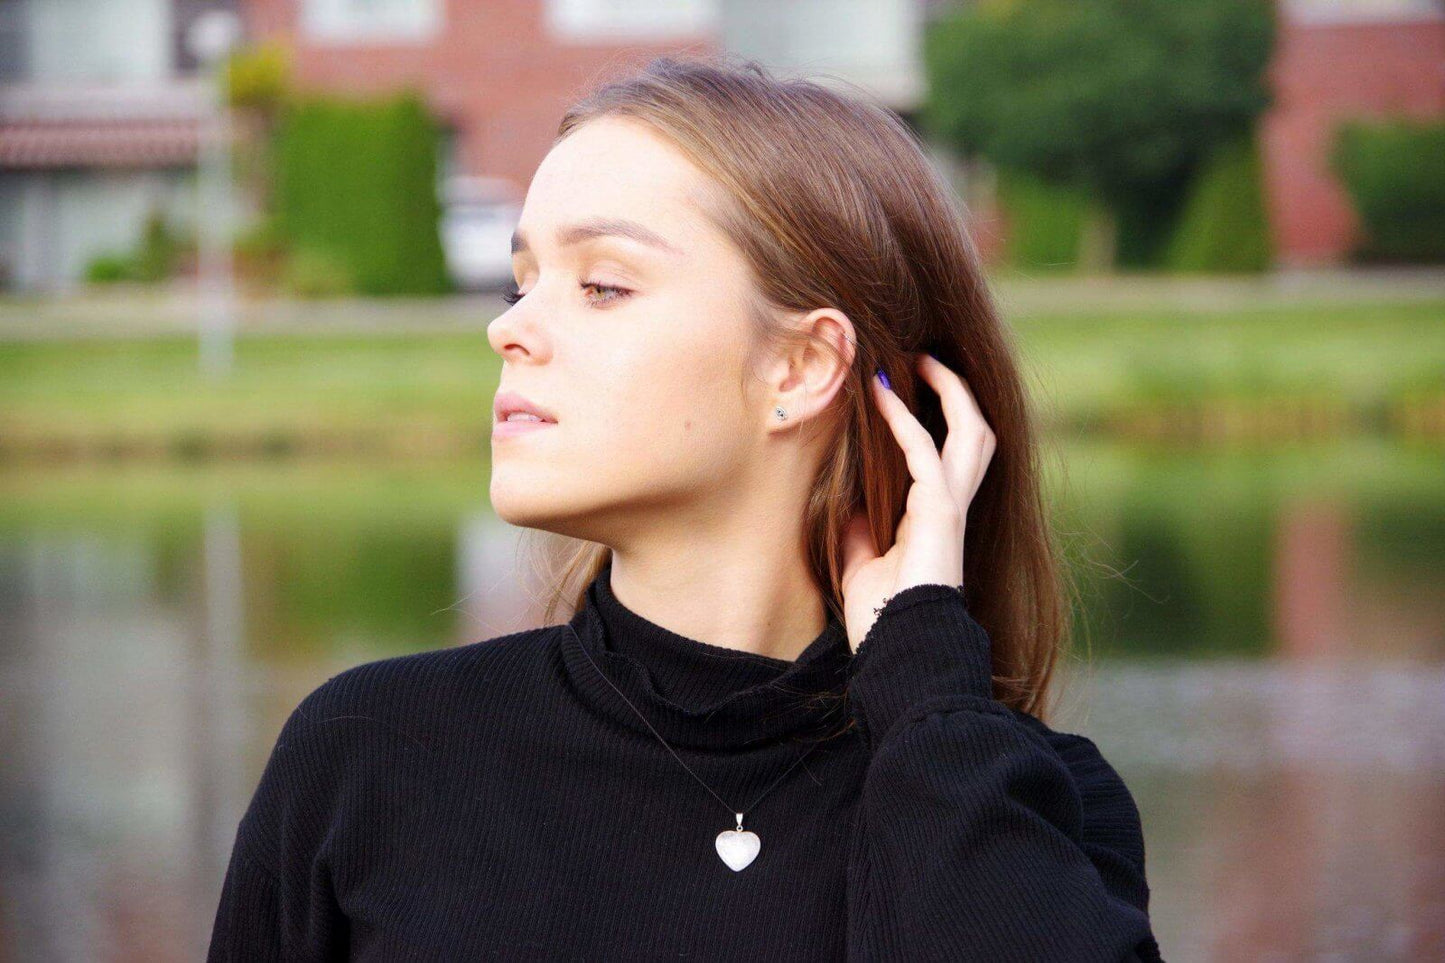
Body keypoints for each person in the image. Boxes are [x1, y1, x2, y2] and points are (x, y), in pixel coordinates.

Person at [207, 54, 1164, 961]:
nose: (508, 327)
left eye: (601, 285)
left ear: (801, 367)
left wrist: (921, 670)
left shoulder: (1028, 808)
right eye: (520, 281)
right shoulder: (370, 756)